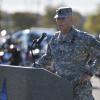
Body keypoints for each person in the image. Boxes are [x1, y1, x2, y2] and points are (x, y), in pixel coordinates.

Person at [32, 7, 100, 100]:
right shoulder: (55, 39)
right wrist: (32, 69)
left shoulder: (83, 38)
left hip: (80, 91)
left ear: (71, 20)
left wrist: (90, 72)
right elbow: (47, 58)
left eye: (62, 18)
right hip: (61, 88)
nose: (59, 21)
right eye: (57, 18)